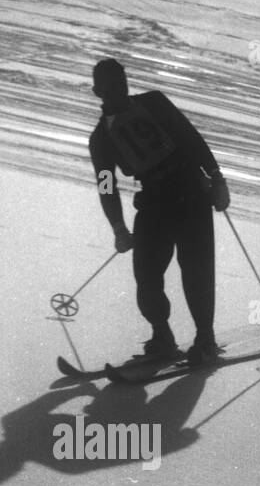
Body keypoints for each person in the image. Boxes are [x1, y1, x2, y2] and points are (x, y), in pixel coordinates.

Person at [88, 58, 230, 365]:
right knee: (146, 275)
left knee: (196, 270)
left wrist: (217, 178)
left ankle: (205, 337)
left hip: (192, 192)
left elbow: (190, 137)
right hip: (153, 200)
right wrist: (118, 227)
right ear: (97, 91)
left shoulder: (154, 102)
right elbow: (106, 185)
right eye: (110, 87)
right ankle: (162, 334)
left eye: (121, 83)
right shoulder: (101, 138)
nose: (118, 91)